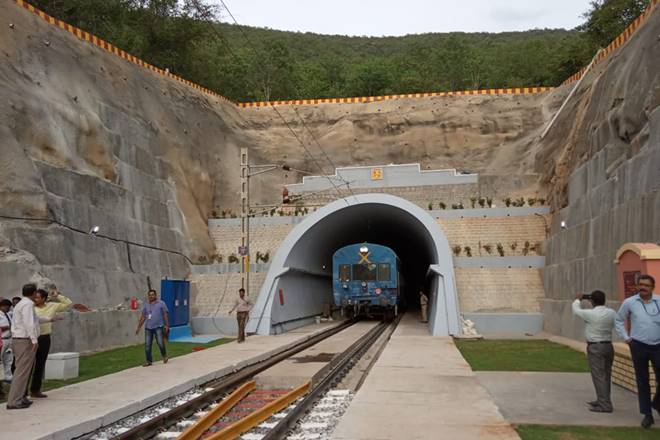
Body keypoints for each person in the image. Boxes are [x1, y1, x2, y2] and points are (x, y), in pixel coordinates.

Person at [615, 275, 660, 429]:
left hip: (658, 346)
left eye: (646, 285)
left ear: (652, 287)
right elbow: (619, 320)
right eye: (640, 284)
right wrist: (627, 338)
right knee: (643, 380)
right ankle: (647, 414)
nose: (643, 287)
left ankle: (656, 403)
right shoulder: (630, 302)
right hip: (638, 345)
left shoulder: (659, 301)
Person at [572, 290, 616, 413]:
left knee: (598, 376)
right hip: (608, 346)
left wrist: (578, 299)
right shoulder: (611, 312)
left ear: (591, 301)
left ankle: (605, 405)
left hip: (595, 347)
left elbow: (576, 310)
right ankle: (603, 399)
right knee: (606, 375)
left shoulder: (590, 314)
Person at [28, 287, 71, 398]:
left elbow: (68, 304)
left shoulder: (52, 305)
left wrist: (57, 296)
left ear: (44, 298)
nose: (35, 299)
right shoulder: (30, 308)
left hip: (45, 338)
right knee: (28, 365)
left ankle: (35, 390)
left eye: (37, 297)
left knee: (40, 364)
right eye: (34, 297)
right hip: (31, 339)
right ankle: (22, 392)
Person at [6, 284, 39, 409]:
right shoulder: (28, 304)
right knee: (22, 371)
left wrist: (50, 319)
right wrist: (34, 340)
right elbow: (28, 323)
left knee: (24, 371)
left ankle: (21, 397)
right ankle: (14, 401)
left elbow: (34, 320)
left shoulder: (21, 303)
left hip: (20, 339)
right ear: (34, 293)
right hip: (24, 340)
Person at [135, 289, 169, 366]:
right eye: (149, 295)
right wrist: (138, 327)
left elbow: (165, 314)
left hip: (158, 327)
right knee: (147, 345)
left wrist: (167, 325)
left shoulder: (161, 303)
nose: (151, 296)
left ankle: (164, 356)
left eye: (152, 295)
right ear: (148, 296)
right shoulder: (146, 305)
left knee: (160, 343)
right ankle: (149, 361)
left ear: (155, 295)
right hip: (148, 328)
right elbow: (143, 317)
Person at [0, 299, 14, 388]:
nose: (7, 309)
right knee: (1, 359)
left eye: (9, 307)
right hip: (2, 339)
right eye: (6, 307)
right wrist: (7, 327)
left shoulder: (8, 314)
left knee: (8, 359)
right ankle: (1, 377)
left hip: (9, 338)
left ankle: (8, 377)